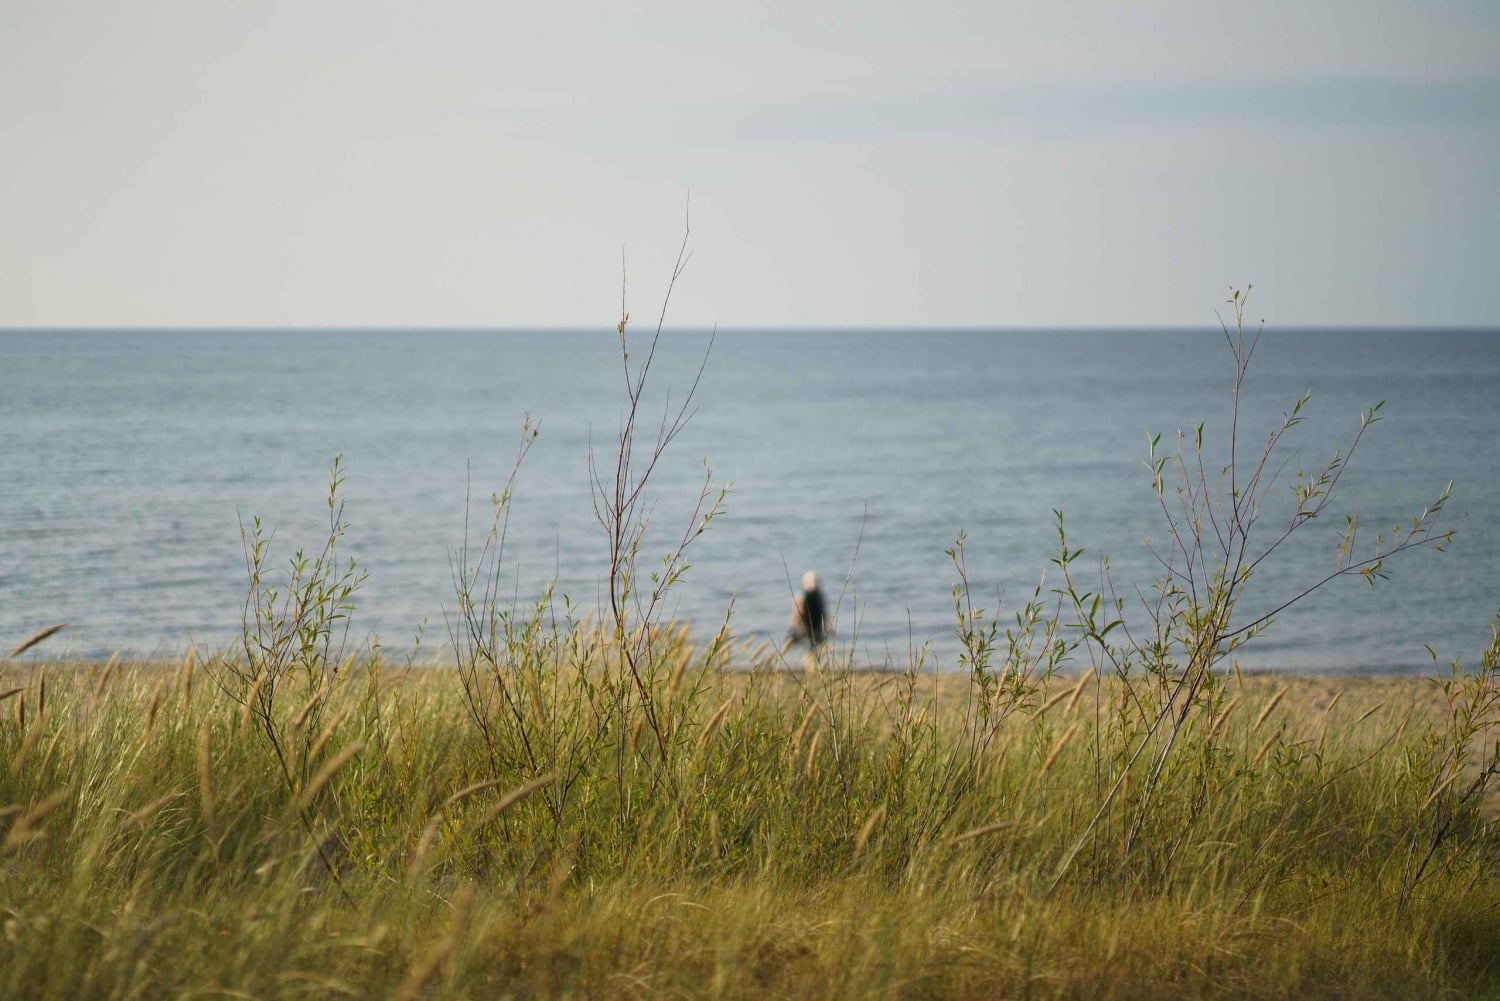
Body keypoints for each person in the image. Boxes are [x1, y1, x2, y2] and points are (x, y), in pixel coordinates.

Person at [784, 570, 828, 652]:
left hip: (812, 627)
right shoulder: (817, 595)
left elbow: (796, 613)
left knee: (811, 650)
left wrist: (793, 626)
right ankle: (814, 663)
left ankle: (812, 662)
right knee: (814, 649)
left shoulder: (802, 595)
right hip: (810, 627)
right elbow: (824, 612)